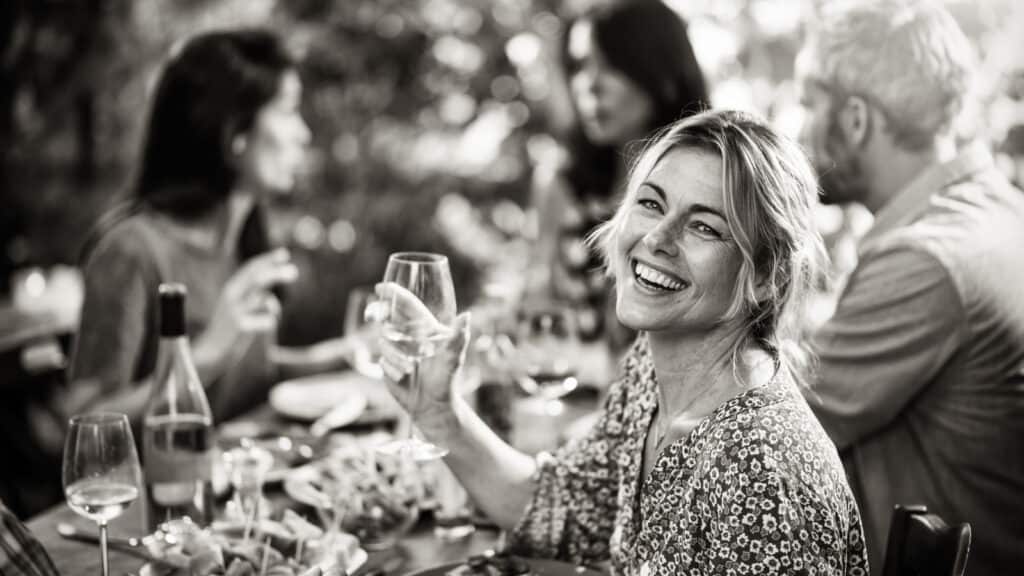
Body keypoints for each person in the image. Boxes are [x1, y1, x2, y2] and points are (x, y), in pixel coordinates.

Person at [377, 110, 868, 574]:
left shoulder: (764, 473)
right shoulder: (649, 372)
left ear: (765, 275)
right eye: (651, 203)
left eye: (703, 226)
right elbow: (567, 510)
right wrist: (442, 415)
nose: (657, 237)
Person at [795, 1, 1024, 573]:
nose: (796, 129)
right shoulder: (997, 209)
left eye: (806, 105)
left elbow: (767, 431)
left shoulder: (924, 261)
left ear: (855, 119)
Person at [69, 29, 354, 424]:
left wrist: (345, 354)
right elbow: (86, 421)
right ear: (234, 132)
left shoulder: (242, 241)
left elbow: (251, 378)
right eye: (288, 110)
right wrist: (207, 355)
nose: (303, 134)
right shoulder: (132, 250)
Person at [528, 0, 707, 347]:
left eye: (610, 65)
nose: (590, 85)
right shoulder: (562, 186)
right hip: (571, 393)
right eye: (579, 65)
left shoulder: (711, 191)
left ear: (659, 69)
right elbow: (538, 313)